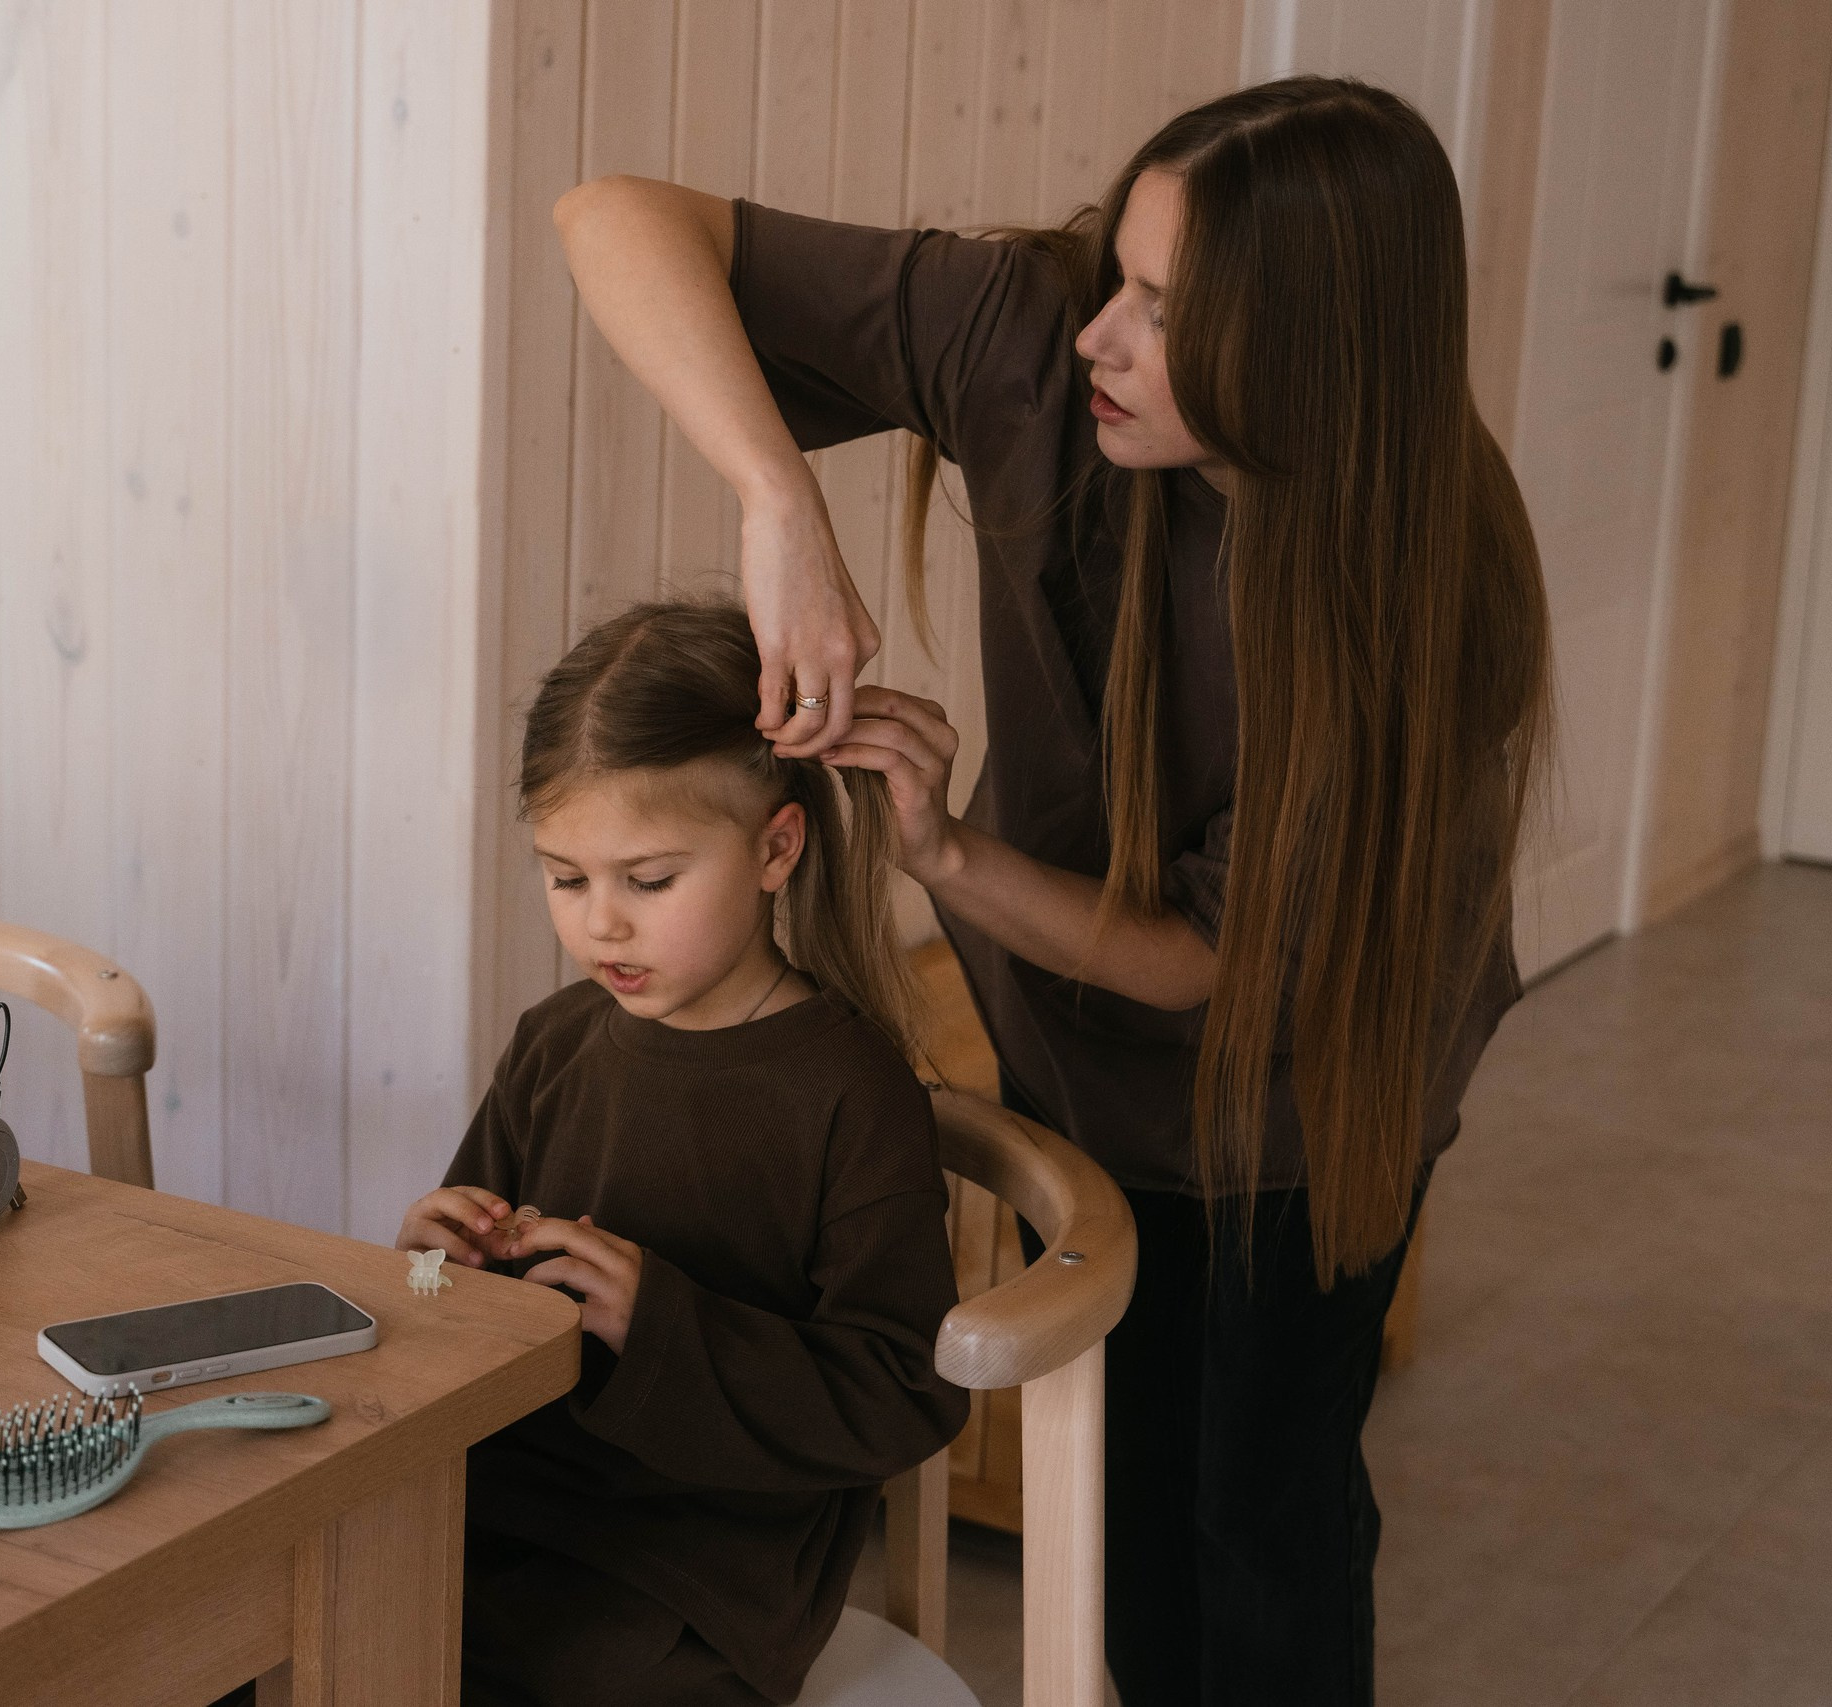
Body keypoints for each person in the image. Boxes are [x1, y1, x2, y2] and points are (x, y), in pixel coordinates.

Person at [551, 78, 1553, 1707]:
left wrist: (947, 857)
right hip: (1090, 1046)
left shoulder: (1410, 612)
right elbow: (614, 218)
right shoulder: (1031, 335)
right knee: (1151, 1503)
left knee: (1270, 1513)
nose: (1103, 334)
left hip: (1319, 1079)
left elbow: (1203, 966)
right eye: (1122, 271)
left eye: (1164, 314)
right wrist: (777, 503)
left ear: (1302, 362)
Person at [399, 601, 972, 1707]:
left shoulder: (850, 1090)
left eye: (647, 881)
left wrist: (656, 1321)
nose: (600, 924)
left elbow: (904, 1393)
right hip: (507, 1509)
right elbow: (459, 1310)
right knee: (288, 1614)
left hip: (707, 1569)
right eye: (566, 879)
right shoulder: (553, 1043)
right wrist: (428, 1261)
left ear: (775, 849)